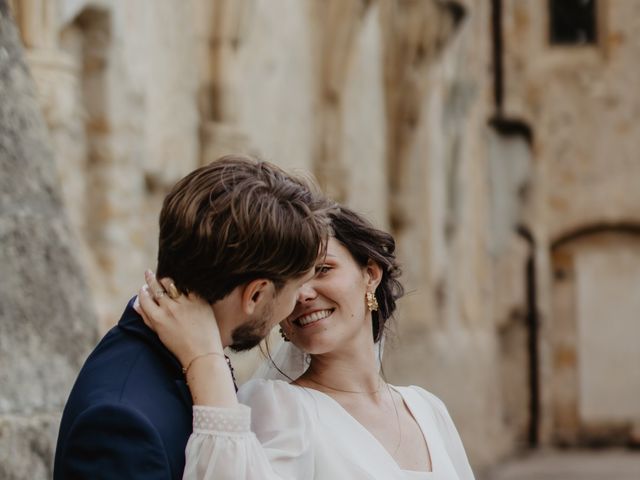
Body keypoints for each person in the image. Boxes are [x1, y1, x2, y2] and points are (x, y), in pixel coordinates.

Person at [139, 205, 476, 480]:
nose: (304, 294)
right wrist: (204, 356)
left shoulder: (427, 409)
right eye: (289, 281)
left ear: (370, 274)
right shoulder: (281, 407)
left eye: (322, 269)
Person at [53, 155, 331, 479]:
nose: (299, 303)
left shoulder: (188, 358)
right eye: (297, 288)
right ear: (255, 294)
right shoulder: (122, 423)